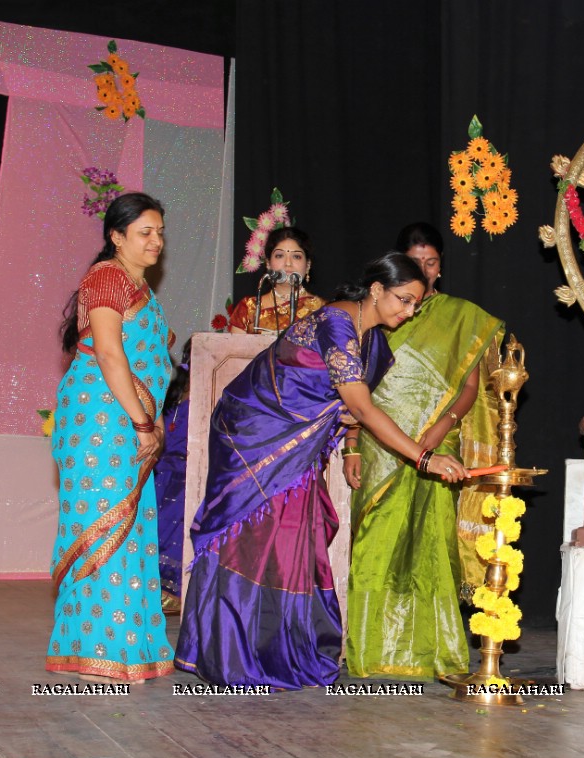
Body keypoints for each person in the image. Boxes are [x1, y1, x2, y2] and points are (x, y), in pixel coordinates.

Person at [176, 253, 468, 689]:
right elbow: (362, 408)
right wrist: (424, 459)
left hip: (297, 447)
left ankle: (279, 650)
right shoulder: (336, 324)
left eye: (414, 306)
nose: (408, 312)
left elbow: (350, 411)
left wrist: (353, 446)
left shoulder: (372, 341)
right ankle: (231, 654)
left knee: (294, 538)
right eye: (403, 300)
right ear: (375, 290)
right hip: (254, 432)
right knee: (253, 538)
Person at [345, 222, 505, 681]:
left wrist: (439, 430)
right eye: (416, 264)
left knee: (432, 543)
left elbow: (469, 387)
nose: (425, 272)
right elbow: (357, 389)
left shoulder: (462, 317)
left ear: (440, 267)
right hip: (381, 445)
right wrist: (351, 445)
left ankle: (432, 651)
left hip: (440, 441)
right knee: (376, 539)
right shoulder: (377, 318)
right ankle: (373, 649)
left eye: (431, 263)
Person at [46, 192, 176, 684]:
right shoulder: (106, 278)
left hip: (132, 419)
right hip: (100, 421)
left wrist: (153, 420)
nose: (156, 241)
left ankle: (129, 648)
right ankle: (94, 647)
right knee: (102, 522)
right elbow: (108, 353)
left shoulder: (144, 291)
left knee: (133, 530)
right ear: (116, 237)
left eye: (160, 232)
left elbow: (154, 365)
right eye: (145, 232)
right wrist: (143, 422)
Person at [227, 226, 325, 335]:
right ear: (268, 263)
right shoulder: (248, 309)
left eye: (296, 256)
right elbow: (234, 351)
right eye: (279, 255)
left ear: (308, 265)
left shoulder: (322, 310)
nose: (288, 263)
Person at [153, 339, 192, 613]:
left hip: (190, 472)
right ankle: (154, 589)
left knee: (177, 521)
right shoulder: (172, 386)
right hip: (163, 469)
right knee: (156, 523)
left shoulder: (215, 389)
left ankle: (174, 592)